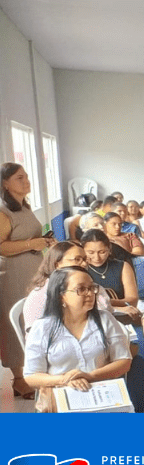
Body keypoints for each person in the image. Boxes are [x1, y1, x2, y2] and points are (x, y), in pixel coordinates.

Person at [24, 267, 132, 413]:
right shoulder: (42, 328)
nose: (90, 294)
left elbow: (124, 361)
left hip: (101, 395)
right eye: (80, 289)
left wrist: (90, 376)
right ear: (61, 296)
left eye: (92, 288)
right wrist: (65, 380)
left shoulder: (105, 320)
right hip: (60, 396)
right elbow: (31, 376)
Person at [1, 162, 54, 399]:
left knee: (35, 318)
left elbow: (26, 237)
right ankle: (19, 379)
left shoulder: (24, 207)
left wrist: (42, 242)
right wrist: (33, 244)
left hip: (32, 270)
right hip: (13, 273)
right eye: (19, 178)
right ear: (5, 184)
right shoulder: (4, 211)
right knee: (17, 322)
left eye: (26, 177)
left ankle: (35, 371)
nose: (26, 181)